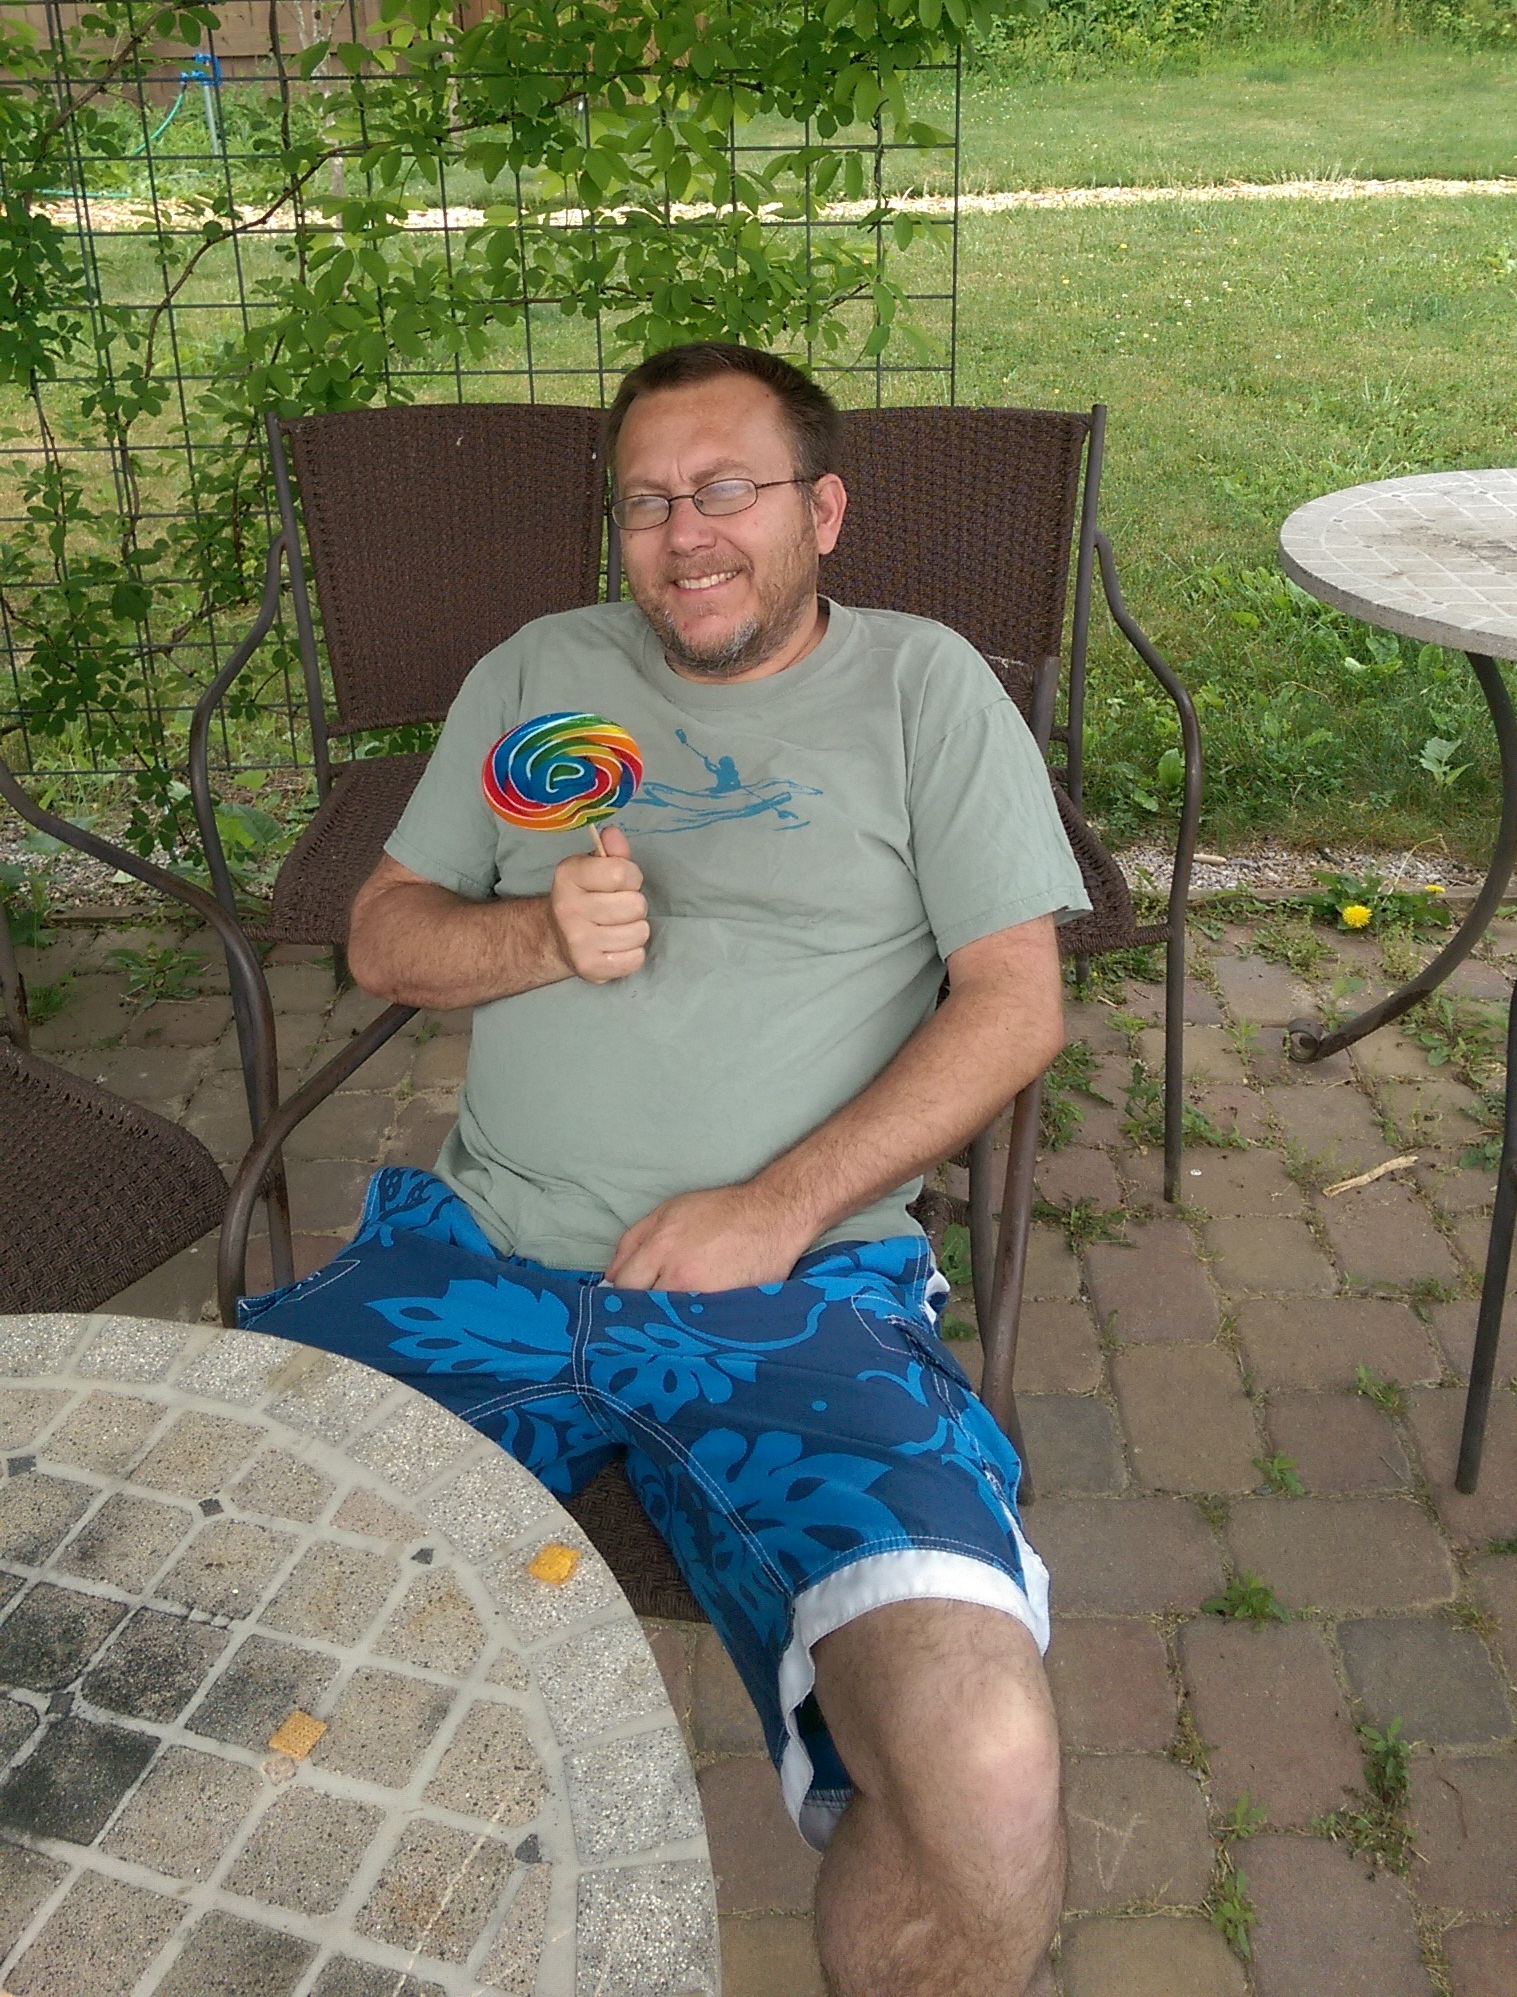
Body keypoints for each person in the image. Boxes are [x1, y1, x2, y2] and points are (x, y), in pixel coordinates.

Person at [242, 340, 1089, 1997]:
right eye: (645, 503)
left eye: (726, 491)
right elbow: (387, 940)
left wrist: (773, 1211)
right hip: (476, 1259)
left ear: (821, 513)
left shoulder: (925, 688)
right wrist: (538, 936)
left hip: (802, 1295)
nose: (684, 535)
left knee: (985, 1770)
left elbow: (1016, 1004)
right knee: (179, 1595)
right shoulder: (540, 676)